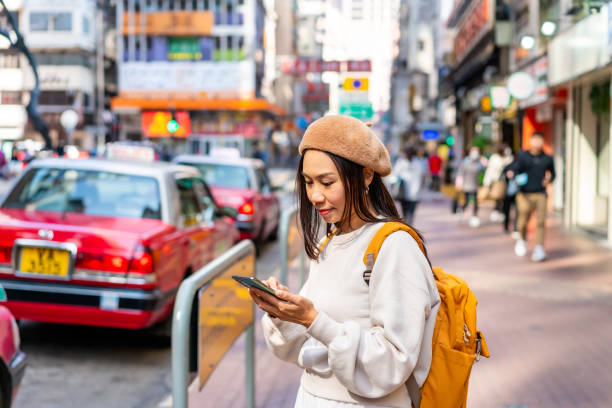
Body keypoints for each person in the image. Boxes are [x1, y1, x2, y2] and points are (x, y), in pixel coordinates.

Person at [250, 115, 440, 408]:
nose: (314, 195)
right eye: (308, 182)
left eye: (327, 182)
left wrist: (314, 320)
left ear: (366, 175)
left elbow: (393, 362)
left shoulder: (395, 246)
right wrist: (283, 312)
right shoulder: (331, 240)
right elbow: (306, 347)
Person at [507, 131, 555, 262]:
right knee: (522, 220)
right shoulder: (522, 156)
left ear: (543, 142)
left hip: (541, 194)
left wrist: (548, 181)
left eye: (540, 140)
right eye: (535, 140)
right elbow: (513, 168)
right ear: (531, 140)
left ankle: (539, 247)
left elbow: (553, 174)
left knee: (540, 221)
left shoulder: (547, 158)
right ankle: (522, 239)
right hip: (524, 194)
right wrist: (512, 173)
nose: (537, 143)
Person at [392, 146, 424, 224]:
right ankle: (407, 224)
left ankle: (409, 225)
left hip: (415, 193)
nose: (408, 155)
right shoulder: (401, 162)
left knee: (411, 212)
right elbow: (395, 174)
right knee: (405, 211)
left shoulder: (418, 163)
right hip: (403, 192)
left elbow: (421, 176)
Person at [483, 145, 513, 222]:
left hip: (505, 181)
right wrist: (487, 181)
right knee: (497, 196)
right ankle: (496, 211)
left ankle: (502, 212)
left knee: (504, 197)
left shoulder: (508, 158)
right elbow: (490, 170)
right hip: (496, 180)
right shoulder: (494, 158)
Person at [457, 146, 485, 227]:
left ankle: (475, 217)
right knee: (466, 202)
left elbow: (485, 167)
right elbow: (460, 173)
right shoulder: (465, 162)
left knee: (476, 202)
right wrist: (459, 184)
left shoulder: (479, 163)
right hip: (466, 185)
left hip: (475, 185)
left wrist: (482, 159)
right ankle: (461, 211)